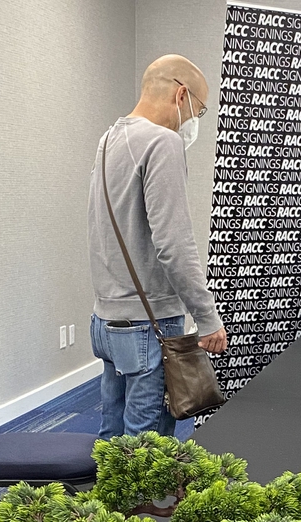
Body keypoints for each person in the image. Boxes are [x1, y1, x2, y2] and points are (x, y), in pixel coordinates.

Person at [88, 54, 226, 439]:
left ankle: (109, 502)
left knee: (113, 440)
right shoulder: (162, 142)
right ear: (182, 95)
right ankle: (138, 503)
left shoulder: (109, 138)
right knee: (145, 451)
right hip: (149, 324)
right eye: (199, 110)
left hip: (105, 319)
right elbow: (174, 244)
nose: (195, 121)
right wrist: (207, 315)